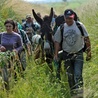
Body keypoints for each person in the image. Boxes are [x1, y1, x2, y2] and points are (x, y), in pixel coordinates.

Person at [54, 9, 91, 98]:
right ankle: (73, 94)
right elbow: (57, 42)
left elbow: (86, 38)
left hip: (78, 53)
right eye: (67, 18)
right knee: (70, 76)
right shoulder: (61, 28)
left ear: (73, 17)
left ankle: (80, 94)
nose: (69, 20)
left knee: (77, 75)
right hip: (67, 54)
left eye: (70, 18)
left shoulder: (79, 25)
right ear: (64, 18)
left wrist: (89, 52)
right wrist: (55, 54)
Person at [0, 19, 23, 89]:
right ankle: (5, 87)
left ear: (13, 27)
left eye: (10, 26)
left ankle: (14, 87)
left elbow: (21, 46)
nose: (8, 28)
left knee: (13, 73)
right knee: (4, 74)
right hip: (3, 57)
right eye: (6, 26)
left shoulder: (17, 36)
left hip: (13, 58)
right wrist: (0, 47)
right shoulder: (1, 35)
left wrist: (16, 50)